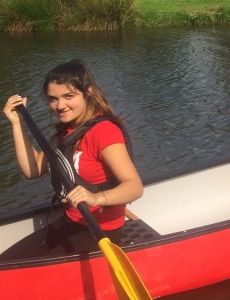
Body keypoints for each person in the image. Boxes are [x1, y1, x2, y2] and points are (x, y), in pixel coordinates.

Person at [2, 59, 143, 257]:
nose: (60, 106)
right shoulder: (67, 132)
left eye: (68, 96)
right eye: (53, 99)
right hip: (71, 221)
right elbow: (33, 170)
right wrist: (17, 124)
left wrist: (96, 198)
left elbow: (135, 187)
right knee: (6, 263)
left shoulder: (103, 132)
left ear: (88, 92)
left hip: (101, 231)